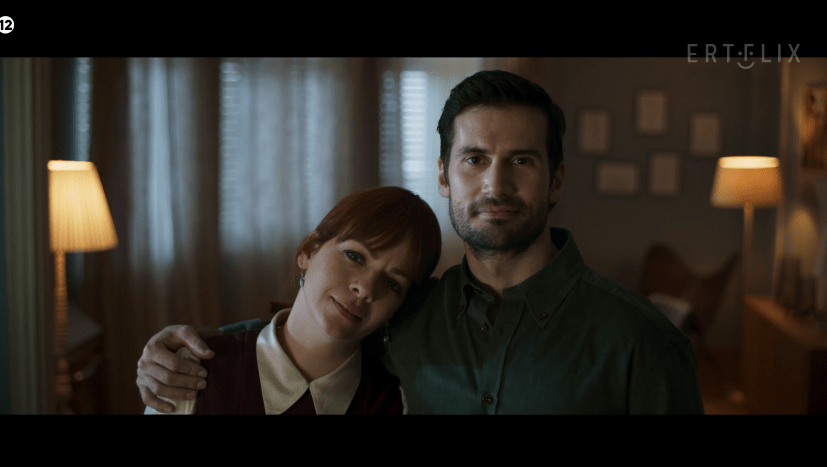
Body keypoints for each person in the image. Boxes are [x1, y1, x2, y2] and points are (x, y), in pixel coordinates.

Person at [138, 70, 704, 414]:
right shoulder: (408, 313)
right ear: (444, 176)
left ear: (555, 180)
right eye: (474, 159)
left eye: (522, 161)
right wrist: (194, 346)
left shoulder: (642, 341)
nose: (495, 185)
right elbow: (312, 333)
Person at [143, 186, 441, 414]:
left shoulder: (396, 404)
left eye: (392, 283)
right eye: (355, 256)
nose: (364, 289)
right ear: (309, 251)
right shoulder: (189, 374)